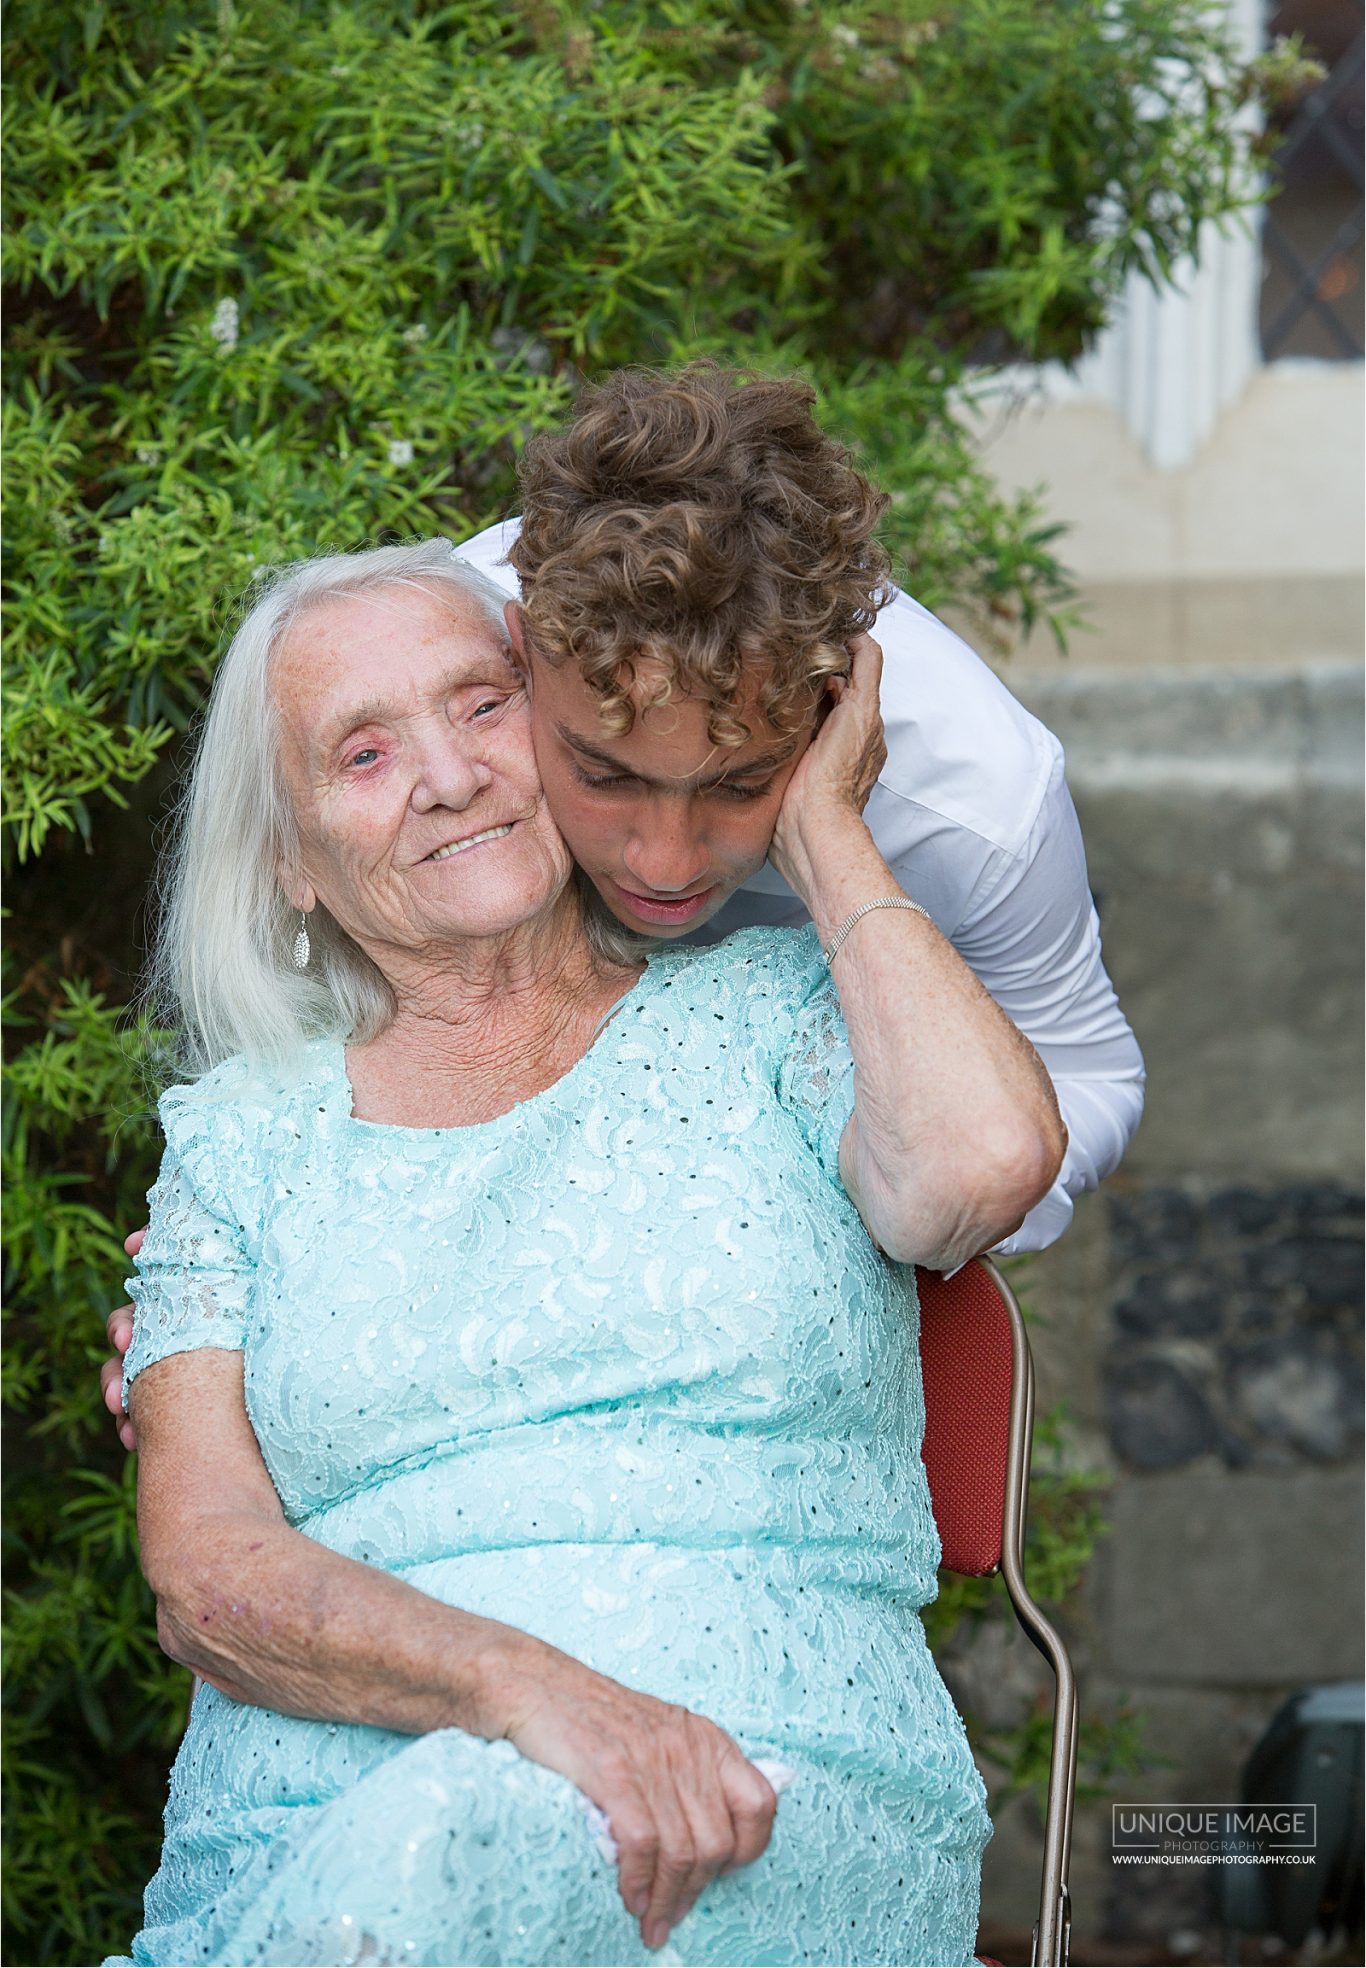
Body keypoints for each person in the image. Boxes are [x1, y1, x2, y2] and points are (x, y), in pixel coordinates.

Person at [104, 533, 1065, 1967]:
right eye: (362, 755)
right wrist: (526, 1692)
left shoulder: (783, 1014)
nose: (446, 773)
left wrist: (816, 821)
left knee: (438, 1858)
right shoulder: (237, 1139)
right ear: (294, 863)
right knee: (415, 1852)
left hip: (751, 1793)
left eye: (481, 706)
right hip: (307, 1817)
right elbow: (204, 1567)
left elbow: (984, 1169)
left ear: (564, 732)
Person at [105, 362, 1133, 1444]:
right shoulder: (456, 664)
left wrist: (830, 845)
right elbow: (365, 1001)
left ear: (833, 703)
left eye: (739, 783)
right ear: (521, 660)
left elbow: (1092, 1075)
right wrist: (239, 1321)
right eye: (604, 773)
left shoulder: (981, 803)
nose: (663, 859)